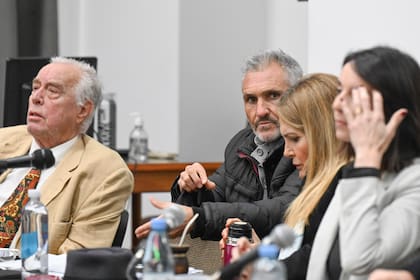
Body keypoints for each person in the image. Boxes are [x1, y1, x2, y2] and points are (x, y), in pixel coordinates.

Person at [135, 49, 303, 241]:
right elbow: (215, 196)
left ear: (298, 95)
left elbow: (282, 210)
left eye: (273, 96)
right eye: (251, 99)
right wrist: (191, 187)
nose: (260, 111)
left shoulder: (310, 147)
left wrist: (199, 217)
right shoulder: (241, 143)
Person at [222, 73, 353, 280]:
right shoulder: (313, 184)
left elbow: (317, 258)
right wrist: (262, 252)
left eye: (294, 139)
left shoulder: (345, 187)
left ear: (322, 135)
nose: (287, 152)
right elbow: (299, 251)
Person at [307, 46, 420, 280]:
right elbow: (326, 259)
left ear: (392, 109)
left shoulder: (414, 180)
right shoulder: (357, 169)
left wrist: (367, 158)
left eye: (354, 95)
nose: (337, 104)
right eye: (340, 92)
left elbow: (359, 261)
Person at [0, 57, 134, 254]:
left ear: (82, 110)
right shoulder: (4, 140)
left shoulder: (106, 172)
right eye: (35, 87)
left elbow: (80, 258)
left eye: (52, 91)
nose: (36, 97)